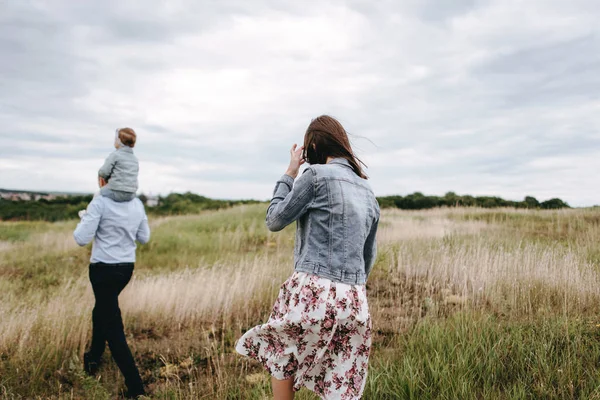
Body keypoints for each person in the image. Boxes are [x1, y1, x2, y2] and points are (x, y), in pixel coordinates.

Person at [236, 115, 380, 400]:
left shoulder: (314, 177)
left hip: (314, 289)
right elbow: (368, 256)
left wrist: (290, 172)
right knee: (341, 375)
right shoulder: (368, 190)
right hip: (354, 298)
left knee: (283, 353)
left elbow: (275, 220)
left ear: (313, 145)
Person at [73, 176, 150, 399]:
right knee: (102, 310)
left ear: (103, 180)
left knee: (112, 323)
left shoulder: (99, 202)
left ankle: (136, 387)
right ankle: (93, 358)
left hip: (103, 269)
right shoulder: (136, 203)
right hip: (125, 269)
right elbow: (144, 237)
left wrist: (86, 217)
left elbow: (80, 237)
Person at [98, 127, 139, 202]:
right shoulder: (135, 159)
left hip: (116, 191)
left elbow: (103, 172)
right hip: (131, 194)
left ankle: (90, 213)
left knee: (98, 195)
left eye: (115, 139)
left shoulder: (115, 155)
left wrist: (103, 175)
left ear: (119, 141)